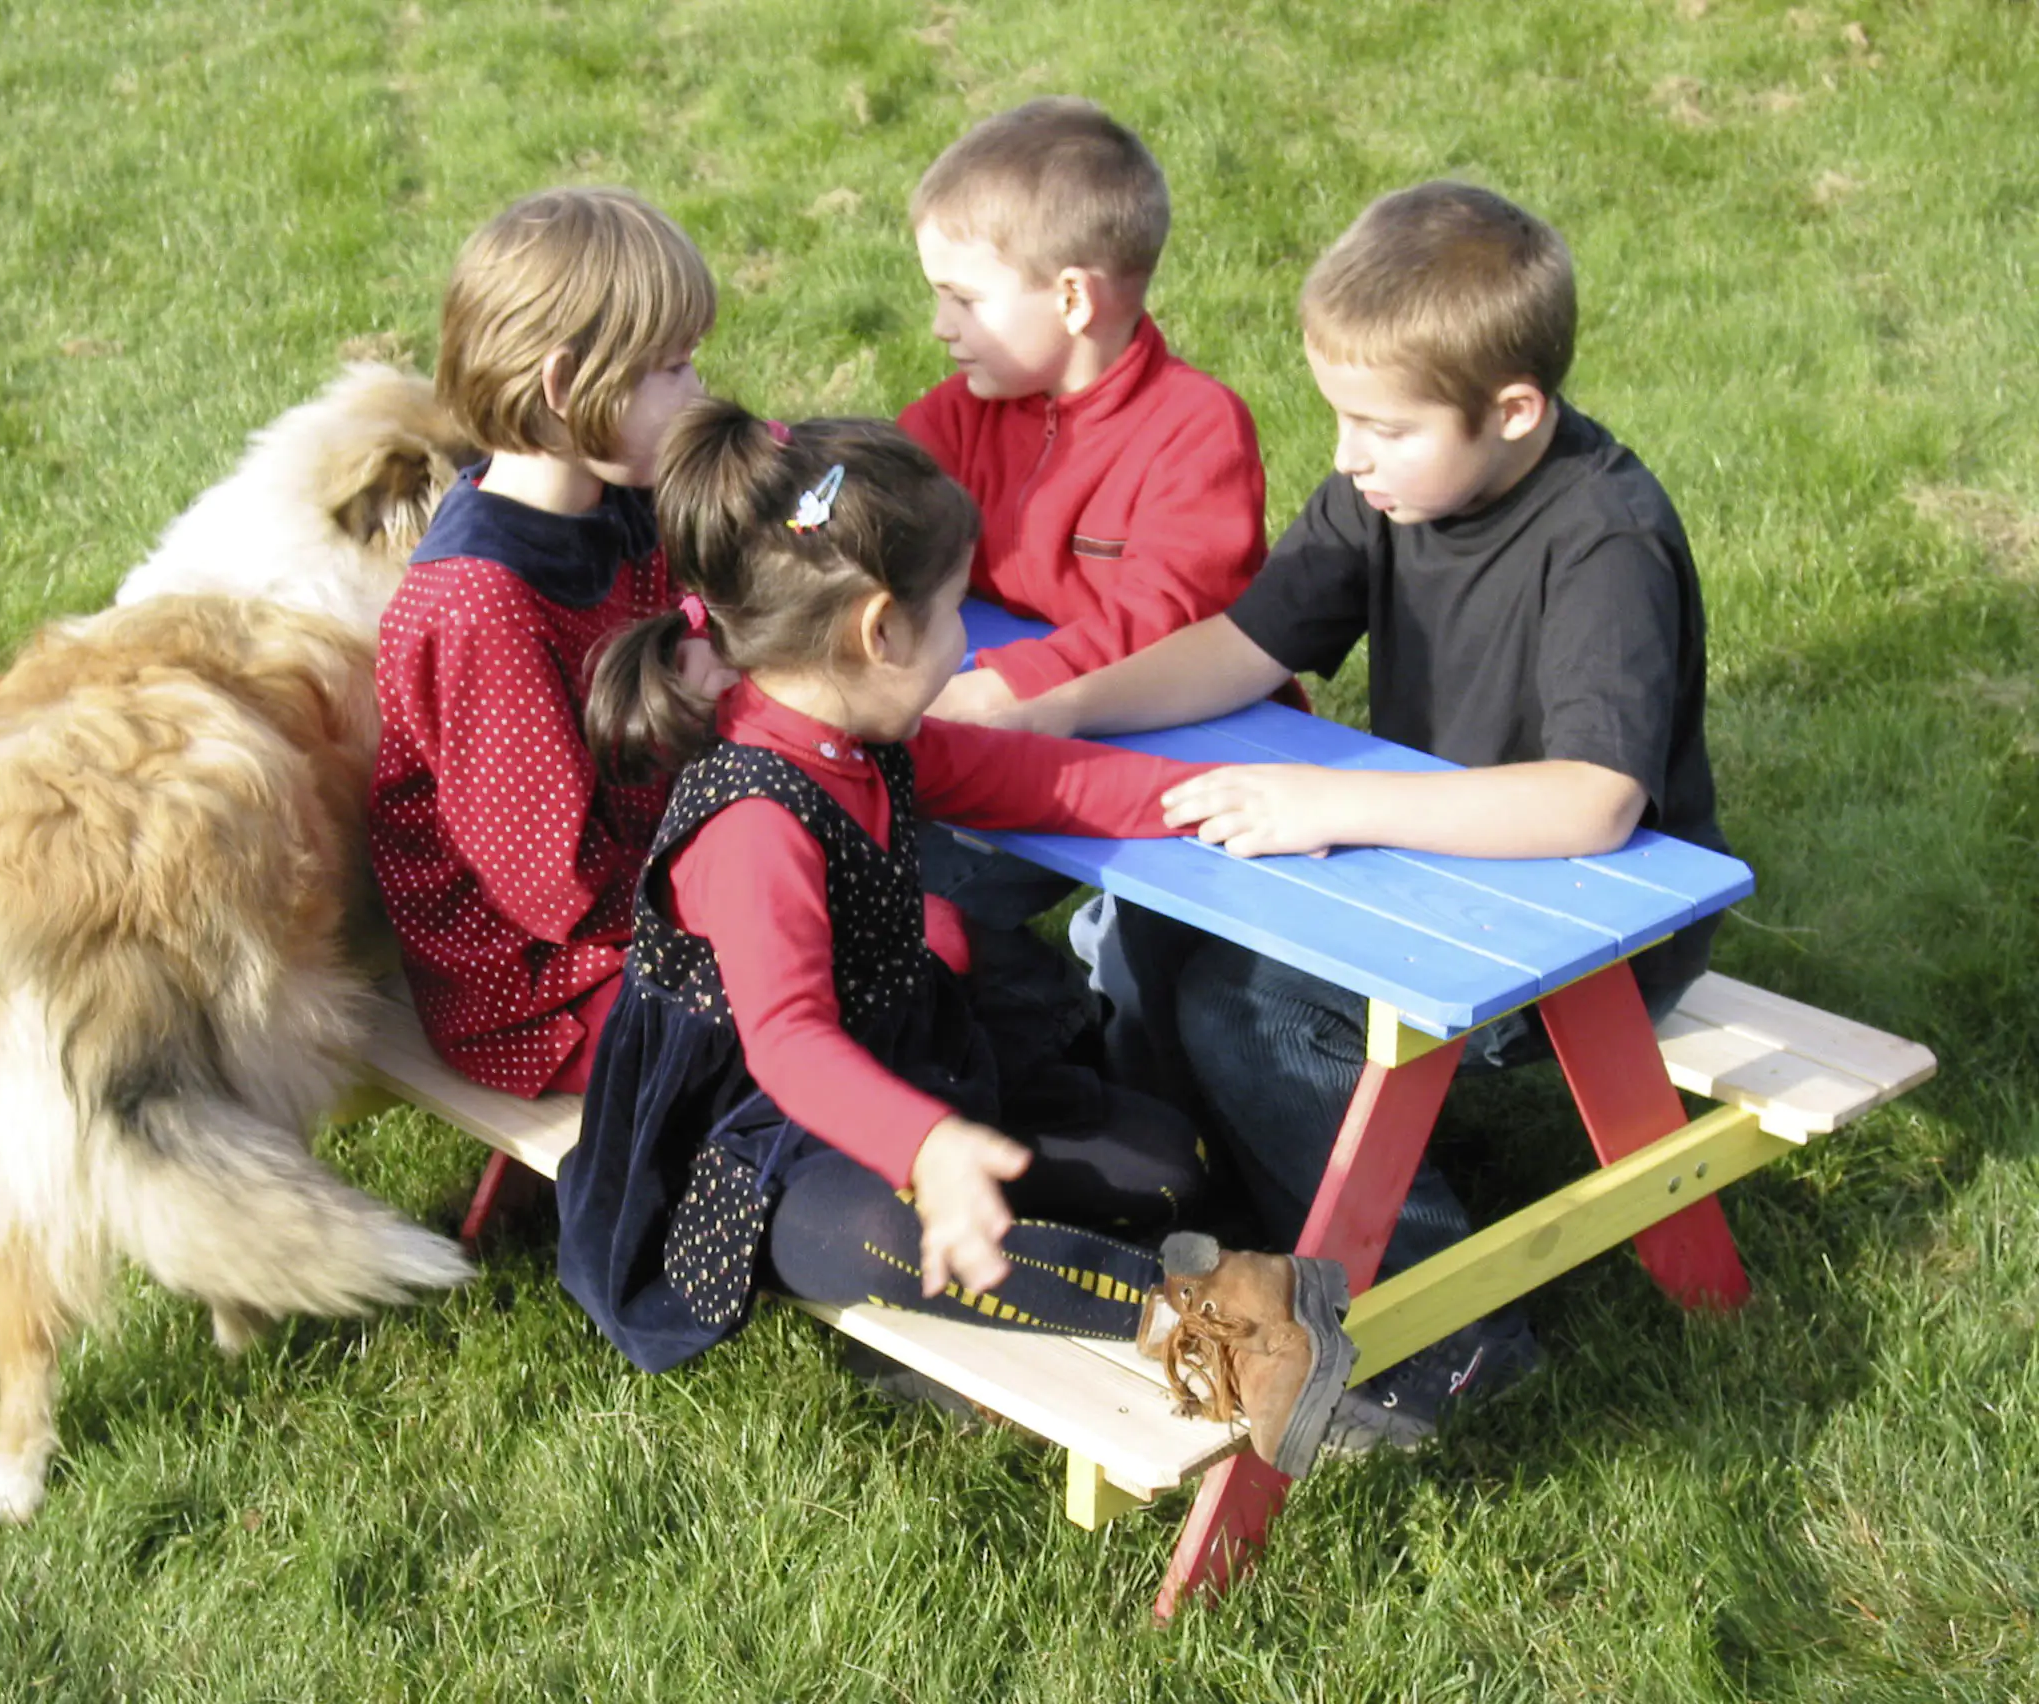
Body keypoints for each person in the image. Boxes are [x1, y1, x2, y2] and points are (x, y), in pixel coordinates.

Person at [961, 181, 1731, 1450]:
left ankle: (1449, 1337)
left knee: (1247, 1005)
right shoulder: (1390, 487)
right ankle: (1213, 1220)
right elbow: (1244, 646)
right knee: (1158, 928)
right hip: (1420, 866)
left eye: (1379, 426)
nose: (1346, 456)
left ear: (1513, 411)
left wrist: (1332, 800)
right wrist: (1062, 707)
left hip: (1588, 929)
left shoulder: (1603, 538)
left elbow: (1594, 802)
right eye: (1337, 417)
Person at [556, 401, 1356, 1481]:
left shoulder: (857, 732)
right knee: (865, 1239)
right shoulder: (753, 822)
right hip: (752, 1137)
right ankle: (1213, 1321)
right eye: (952, 616)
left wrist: (1210, 796)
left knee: (1167, 1166)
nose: (967, 646)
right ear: (880, 631)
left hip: (909, 1064)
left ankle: (1154, 1263)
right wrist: (925, 1146)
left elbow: (1036, 780)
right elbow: (787, 1044)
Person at [896, 97, 1277, 1001]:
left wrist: (1015, 686)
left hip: (1173, 746)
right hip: (992, 719)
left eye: (963, 299)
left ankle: (1092, 1018)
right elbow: (877, 512)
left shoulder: (1195, 429)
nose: (941, 324)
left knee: (1158, 983)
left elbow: (1164, 620)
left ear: (1071, 298)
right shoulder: (962, 414)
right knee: (893, 878)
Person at [368, 187, 724, 1101]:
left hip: (659, 889)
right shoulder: (483, 609)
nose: (698, 392)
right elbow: (557, 888)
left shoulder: (617, 494)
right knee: (822, 992)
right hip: (545, 991)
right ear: (566, 387)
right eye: (673, 368)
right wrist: (747, 886)